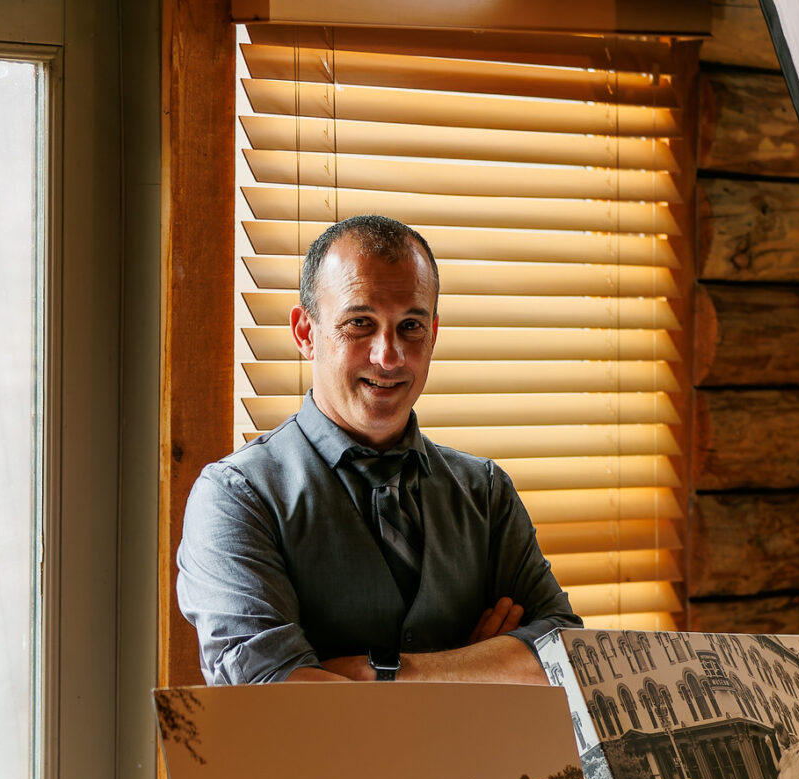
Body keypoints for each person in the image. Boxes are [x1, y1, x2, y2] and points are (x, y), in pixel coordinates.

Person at [177, 214, 581, 683]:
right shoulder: (236, 499)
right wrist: (481, 667)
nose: (388, 356)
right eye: (360, 323)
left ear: (433, 333)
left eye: (410, 326)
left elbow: (568, 658)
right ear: (305, 333)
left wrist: (386, 674)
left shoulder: (485, 493)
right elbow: (278, 700)